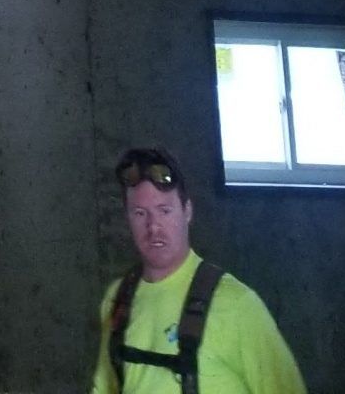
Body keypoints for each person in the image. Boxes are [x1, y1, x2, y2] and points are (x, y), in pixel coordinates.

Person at [91, 146, 306, 394]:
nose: (153, 227)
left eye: (164, 211)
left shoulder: (236, 305)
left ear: (187, 211)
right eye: (140, 213)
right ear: (128, 218)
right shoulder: (117, 298)